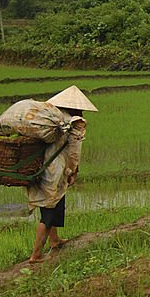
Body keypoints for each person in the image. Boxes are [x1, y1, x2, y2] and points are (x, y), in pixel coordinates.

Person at [26, 86, 97, 263]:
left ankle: (54, 240)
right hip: (55, 172)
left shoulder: (51, 120)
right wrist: (72, 171)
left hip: (42, 169)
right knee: (49, 211)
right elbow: (74, 153)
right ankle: (36, 255)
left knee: (55, 203)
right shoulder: (74, 124)